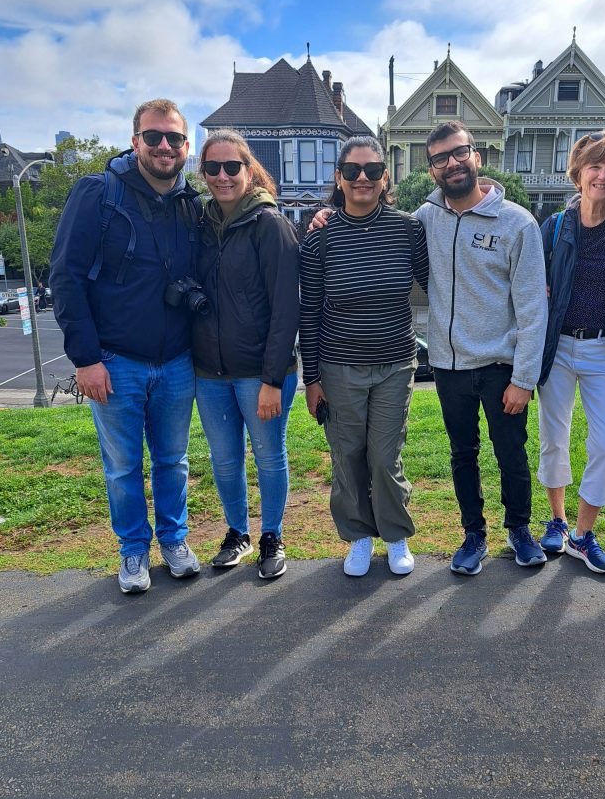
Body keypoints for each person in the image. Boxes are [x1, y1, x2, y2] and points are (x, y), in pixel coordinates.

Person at [51, 99, 202, 594]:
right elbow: (66, 278)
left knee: (172, 462)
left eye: (174, 138)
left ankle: (174, 541)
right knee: (122, 467)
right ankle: (134, 551)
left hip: (177, 362)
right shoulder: (98, 193)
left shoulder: (190, 203)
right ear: (135, 140)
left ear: (186, 146)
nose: (164, 146)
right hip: (115, 361)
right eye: (154, 136)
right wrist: (86, 359)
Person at [417, 122, 548, 574]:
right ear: (431, 168)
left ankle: (520, 530)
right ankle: (473, 534)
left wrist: (524, 379)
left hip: (501, 366)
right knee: (462, 454)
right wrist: (326, 215)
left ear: (477, 156)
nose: (451, 163)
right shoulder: (425, 219)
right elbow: (380, 225)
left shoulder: (517, 223)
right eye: (440, 158)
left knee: (511, 452)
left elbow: (533, 308)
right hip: (449, 366)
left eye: (459, 153)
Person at [300, 136, 429, 577]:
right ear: (338, 178)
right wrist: (311, 378)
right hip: (339, 366)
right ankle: (357, 536)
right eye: (352, 171)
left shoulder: (408, 229)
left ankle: (394, 535)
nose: (362, 179)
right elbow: (310, 309)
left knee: (384, 456)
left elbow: (442, 283)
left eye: (372, 170)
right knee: (348, 455)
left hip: (395, 363)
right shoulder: (320, 238)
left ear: (384, 177)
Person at [192, 130, 300, 579]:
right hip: (210, 372)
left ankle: (272, 535)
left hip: (261, 372)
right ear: (202, 173)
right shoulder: (198, 222)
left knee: (269, 456)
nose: (222, 176)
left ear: (249, 170)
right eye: (212, 168)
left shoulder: (270, 224)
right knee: (224, 460)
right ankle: (237, 532)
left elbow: (286, 307)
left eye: (232, 167)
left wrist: (273, 378)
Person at [537, 133, 605, 573]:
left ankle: (584, 534)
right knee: (553, 438)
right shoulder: (556, 225)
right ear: (577, 172)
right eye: (594, 167)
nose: (602, 175)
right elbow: (531, 281)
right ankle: (559, 522)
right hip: (559, 345)